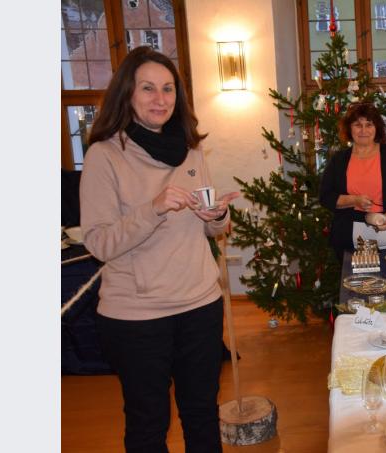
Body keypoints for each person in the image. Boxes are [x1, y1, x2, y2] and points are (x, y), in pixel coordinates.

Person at [80, 46, 239, 453]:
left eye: (168, 89)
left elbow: (211, 231)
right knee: (150, 424)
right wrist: (152, 209)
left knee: (202, 413)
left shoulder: (191, 150)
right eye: (148, 88)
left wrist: (216, 216)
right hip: (136, 317)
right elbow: (98, 243)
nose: (160, 99)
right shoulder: (103, 157)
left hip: (200, 303)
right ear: (127, 95)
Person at [319, 102, 386, 261]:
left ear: (376, 128)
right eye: (358, 125)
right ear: (349, 129)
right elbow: (325, 196)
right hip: (349, 244)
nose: (363, 130)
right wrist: (353, 200)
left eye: (369, 124)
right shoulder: (339, 160)